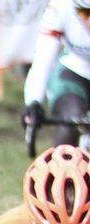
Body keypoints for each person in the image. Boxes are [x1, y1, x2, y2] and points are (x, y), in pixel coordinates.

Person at [22, 0, 90, 147]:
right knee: (70, 120)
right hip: (75, 69)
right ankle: (60, 167)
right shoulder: (60, 6)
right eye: (85, 13)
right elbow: (42, 59)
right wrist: (33, 101)